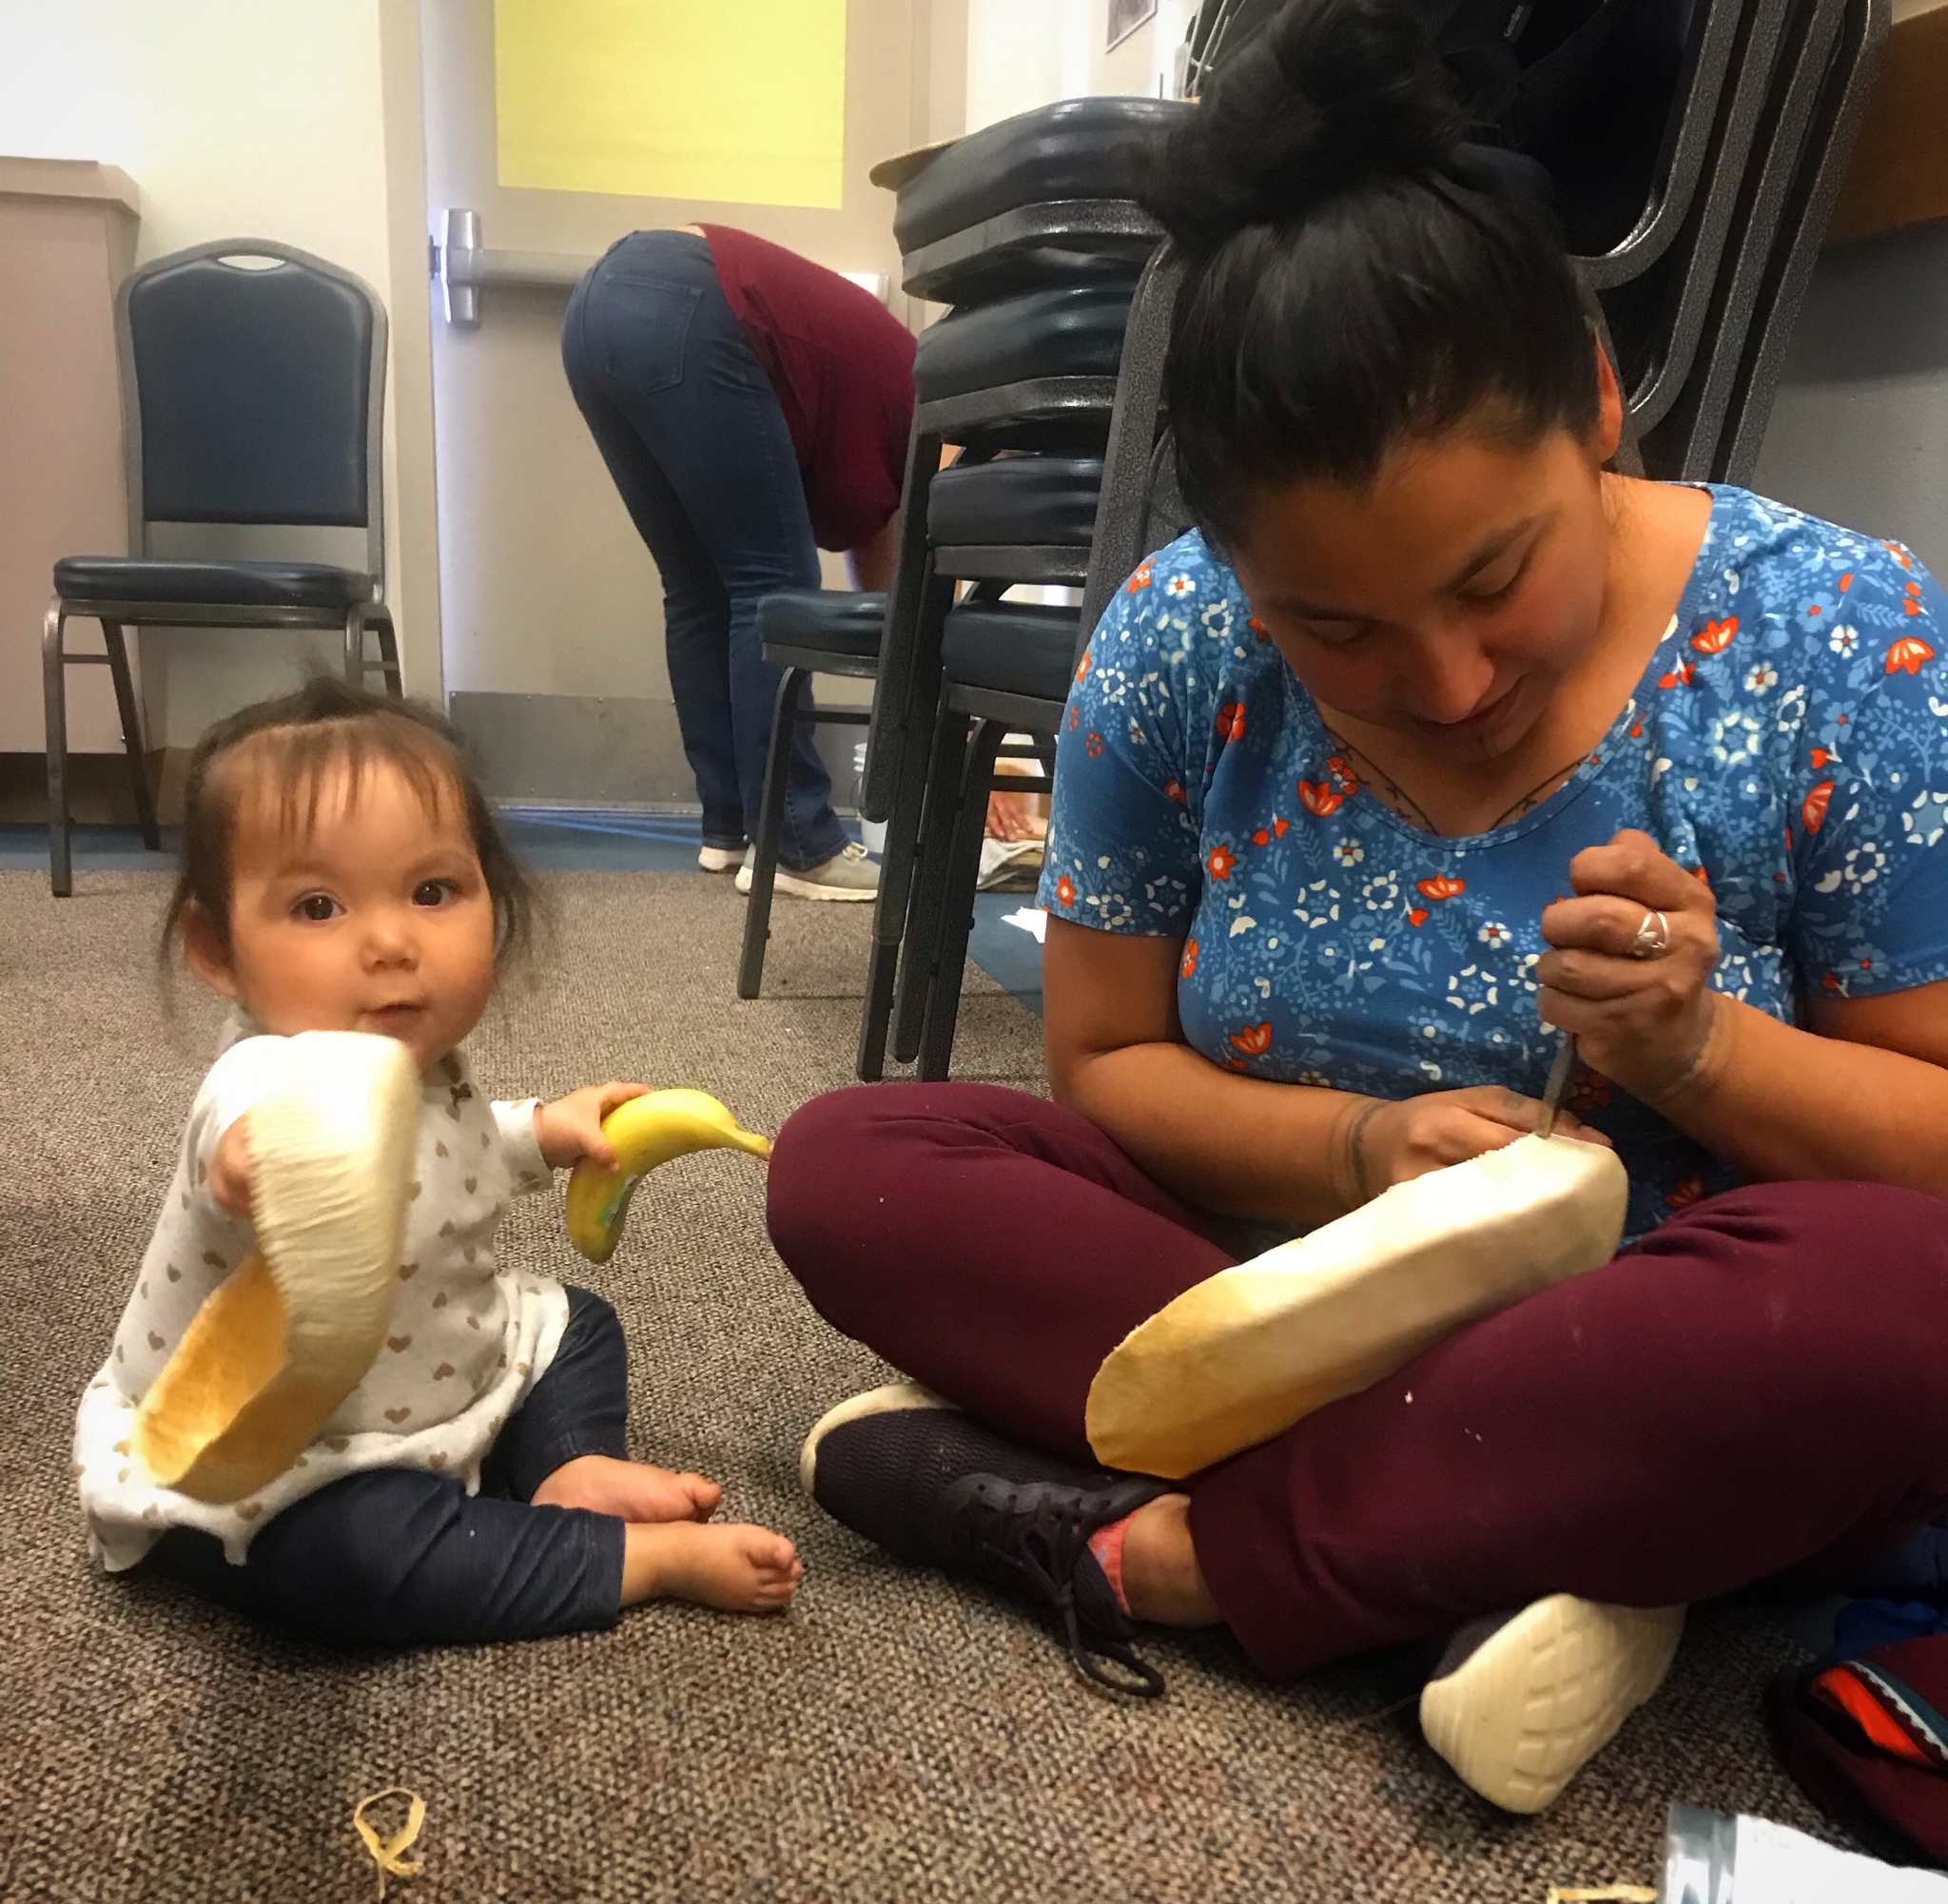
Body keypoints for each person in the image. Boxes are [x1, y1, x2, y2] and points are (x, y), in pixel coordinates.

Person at [765, 0, 1948, 1812]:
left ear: (1596, 395)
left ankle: (1174, 1557)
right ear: (1233, 559)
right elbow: (1104, 1059)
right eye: (1337, 630)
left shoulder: (1843, 635)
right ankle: (1505, 1550)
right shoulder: (1172, 636)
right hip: (1278, 1289)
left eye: (1498, 576)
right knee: (851, 1161)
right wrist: (1359, 1146)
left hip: (1662, 1336)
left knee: (1902, 1299)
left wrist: (1695, 1048)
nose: (1452, 676)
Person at [75, 678, 802, 1646]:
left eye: (432, 891)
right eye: (319, 904)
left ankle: (565, 1468)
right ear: (219, 949)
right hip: (289, 1451)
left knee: (578, 1322)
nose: (390, 941)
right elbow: (240, 1123)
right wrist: (266, 1160)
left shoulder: (427, 1068)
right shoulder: (268, 1069)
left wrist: (542, 1130)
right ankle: (633, 1560)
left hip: (447, 1365)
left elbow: (454, 1147)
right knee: (355, 1560)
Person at [563, 223, 915, 902]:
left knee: (699, 588)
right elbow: (907, 566)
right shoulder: (937, 412)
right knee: (771, 583)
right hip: (688, 299)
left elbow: (879, 556)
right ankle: (796, 841)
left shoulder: (901, 389)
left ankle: (730, 825)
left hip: (595, 313)